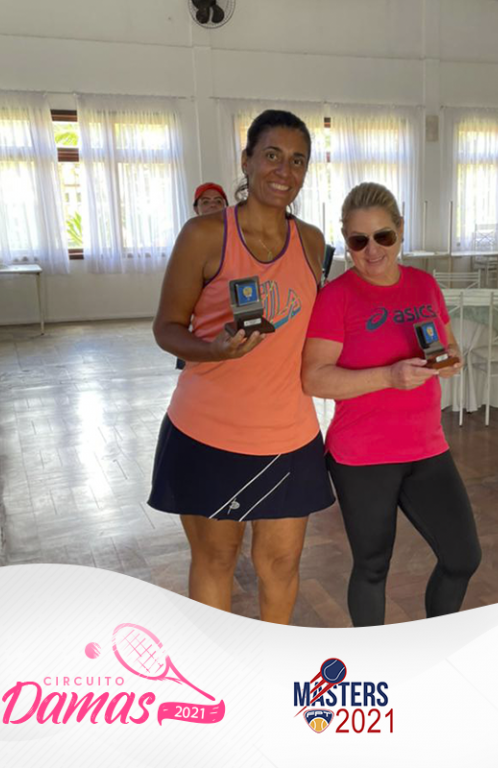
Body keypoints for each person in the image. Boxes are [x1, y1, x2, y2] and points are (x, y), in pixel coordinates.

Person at [149, 110, 335, 624]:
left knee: (281, 564)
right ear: (247, 160)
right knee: (216, 560)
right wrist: (214, 349)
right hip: (208, 432)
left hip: (290, 435)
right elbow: (166, 327)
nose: (284, 170)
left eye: (297, 160)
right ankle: (219, 666)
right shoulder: (204, 235)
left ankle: (272, 661)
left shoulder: (311, 241)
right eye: (272, 155)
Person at [301, 182, 482, 627]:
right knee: (373, 566)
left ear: (401, 230)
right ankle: (374, 658)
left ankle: (432, 646)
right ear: (346, 241)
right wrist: (388, 376)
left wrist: (450, 360)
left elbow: (448, 344)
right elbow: (313, 378)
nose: (372, 250)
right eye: (358, 241)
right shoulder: (337, 297)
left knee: (462, 557)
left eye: (383, 236)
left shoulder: (424, 285)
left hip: (427, 448)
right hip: (362, 457)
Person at [176, 183, 232, 370]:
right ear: (196, 208)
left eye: (218, 201)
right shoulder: (190, 238)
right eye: (205, 202)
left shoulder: (235, 236)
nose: (212, 205)